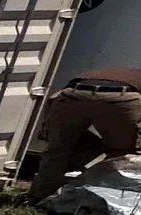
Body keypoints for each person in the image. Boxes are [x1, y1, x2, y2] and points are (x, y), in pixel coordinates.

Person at [27, 67, 141, 203]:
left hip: (72, 94)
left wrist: (48, 129)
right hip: (120, 98)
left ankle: (40, 196)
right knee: (123, 154)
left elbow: (54, 97)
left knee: (57, 150)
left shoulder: (119, 72)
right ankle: (111, 199)